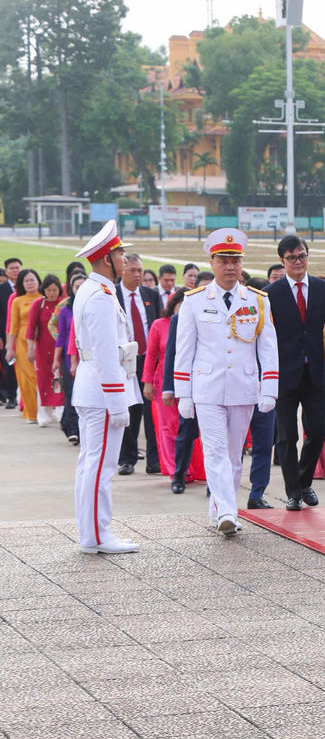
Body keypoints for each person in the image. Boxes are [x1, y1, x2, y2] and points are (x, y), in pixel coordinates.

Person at [175, 229, 278, 536]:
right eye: (223, 260)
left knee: (234, 456)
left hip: (243, 387)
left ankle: (221, 507)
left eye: (235, 260)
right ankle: (228, 512)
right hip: (207, 388)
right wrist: (183, 394)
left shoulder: (257, 301)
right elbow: (185, 350)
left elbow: (268, 347)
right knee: (215, 451)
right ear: (212, 261)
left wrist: (269, 387)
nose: (230, 266)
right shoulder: (194, 301)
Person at [71, 221, 139, 554]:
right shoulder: (99, 296)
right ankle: (98, 536)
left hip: (93, 388)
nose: (124, 259)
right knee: (100, 466)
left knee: (91, 464)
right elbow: (106, 356)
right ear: (105, 259)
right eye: (120, 254)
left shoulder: (95, 290)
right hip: (101, 391)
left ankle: (93, 533)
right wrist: (118, 403)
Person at [266, 235, 325, 511]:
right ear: (282, 260)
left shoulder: (322, 288)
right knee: (286, 437)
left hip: (315, 372)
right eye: (292, 257)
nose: (298, 261)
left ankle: (304, 480)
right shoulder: (272, 293)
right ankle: (293, 491)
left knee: (318, 431)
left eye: (302, 255)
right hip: (284, 373)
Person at [114, 253, 162, 475]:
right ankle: (127, 458)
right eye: (132, 270)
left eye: (140, 271)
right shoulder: (112, 295)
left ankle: (154, 459)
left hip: (149, 361)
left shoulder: (150, 294)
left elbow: (159, 326)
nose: (137, 275)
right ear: (122, 270)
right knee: (130, 410)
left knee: (153, 411)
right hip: (125, 361)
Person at [162, 287, 207, 494]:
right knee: (185, 433)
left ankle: (214, 482)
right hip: (189, 386)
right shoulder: (179, 320)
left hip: (212, 385)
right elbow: (171, 354)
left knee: (214, 437)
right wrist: (169, 388)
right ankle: (179, 475)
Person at [143, 291, 185, 479]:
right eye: (181, 304)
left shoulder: (195, 324)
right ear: (173, 304)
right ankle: (174, 469)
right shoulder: (159, 325)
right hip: (163, 381)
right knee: (168, 427)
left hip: (189, 380)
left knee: (188, 427)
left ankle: (189, 467)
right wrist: (147, 382)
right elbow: (151, 355)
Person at [244, 276, 275, 509]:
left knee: (264, 445)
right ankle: (218, 488)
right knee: (229, 446)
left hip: (263, 391)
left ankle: (257, 492)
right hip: (238, 390)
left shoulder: (270, 322)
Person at [25, 274, 66, 426]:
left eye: (55, 290)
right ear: (44, 290)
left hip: (59, 347)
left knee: (60, 378)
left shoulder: (63, 304)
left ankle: (61, 411)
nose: (52, 293)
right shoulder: (38, 304)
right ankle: (44, 413)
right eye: (49, 290)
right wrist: (30, 349)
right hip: (42, 348)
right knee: (43, 380)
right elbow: (30, 329)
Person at [5, 268, 42, 423]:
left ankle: (45, 410)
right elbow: (12, 326)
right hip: (21, 342)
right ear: (21, 284)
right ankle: (31, 413)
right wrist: (10, 348)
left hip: (41, 340)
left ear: (38, 281)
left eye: (32, 280)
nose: (29, 283)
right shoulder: (17, 301)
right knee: (26, 379)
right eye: (26, 281)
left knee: (40, 377)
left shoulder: (44, 297)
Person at [54, 274, 87, 445]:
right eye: (76, 286)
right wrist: (55, 360)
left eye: (83, 285)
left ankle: (76, 427)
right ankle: (73, 430)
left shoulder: (91, 306)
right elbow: (61, 337)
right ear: (71, 289)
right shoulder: (66, 310)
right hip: (69, 357)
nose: (80, 289)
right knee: (72, 393)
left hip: (88, 357)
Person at [0, 257, 21, 408]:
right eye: (11, 268)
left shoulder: (27, 286)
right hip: (5, 334)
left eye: (17, 267)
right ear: (6, 271)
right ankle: (11, 396)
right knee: (9, 365)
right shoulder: (2, 289)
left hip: (25, 333)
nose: (15, 270)